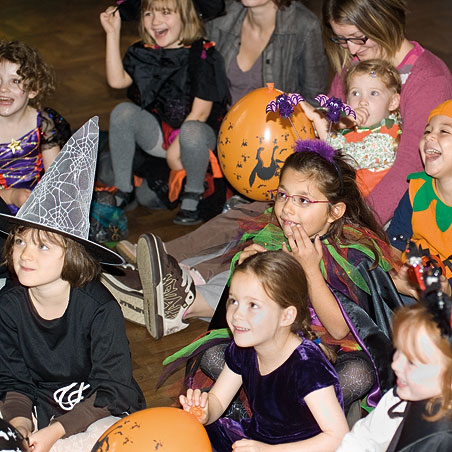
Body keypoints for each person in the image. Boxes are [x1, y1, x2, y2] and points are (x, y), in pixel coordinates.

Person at [137, 140, 405, 413]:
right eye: (282, 195)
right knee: (211, 354)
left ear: (334, 211)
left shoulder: (349, 255)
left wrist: (310, 269)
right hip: (274, 348)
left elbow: (338, 330)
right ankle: (274, 406)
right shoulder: (273, 240)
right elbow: (248, 315)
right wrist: (253, 272)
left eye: (303, 200)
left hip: (326, 353)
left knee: (359, 373)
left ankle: (283, 410)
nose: (287, 209)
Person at [0, 118, 145, 452]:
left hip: (96, 408)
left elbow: (113, 389)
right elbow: (12, 380)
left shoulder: (99, 309)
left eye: (44, 245)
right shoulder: (8, 305)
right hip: (38, 405)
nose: (26, 254)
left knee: (112, 440)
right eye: (21, 241)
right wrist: (18, 426)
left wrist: (55, 432)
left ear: (71, 256)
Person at [180, 250, 349, 451]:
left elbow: (338, 438)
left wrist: (267, 450)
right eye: (233, 301)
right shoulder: (246, 349)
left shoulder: (307, 366)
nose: (237, 315)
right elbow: (218, 399)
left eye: (253, 305)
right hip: (260, 440)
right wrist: (206, 411)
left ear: (287, 316)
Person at [100, 0, 230, 225]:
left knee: (191, 131)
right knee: (122, 111)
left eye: (165, 13)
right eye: (148, 13)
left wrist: (174, 153)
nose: (155, 21)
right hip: (162, 135)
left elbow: (200, 113)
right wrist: (113, 33)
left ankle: (194, 193)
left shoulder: (204, 55)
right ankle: (123, 188)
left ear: (186, 16)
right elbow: (116, 80)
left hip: (198, 142)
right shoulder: (144, 52)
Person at [322, 0, 452, 224]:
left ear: (384, 20)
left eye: (359, 37)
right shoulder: (353, 66)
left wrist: (357, 226)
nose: (352, 49)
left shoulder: (429, 80)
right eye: (342, 40)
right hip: (345, 203)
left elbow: (409, 169)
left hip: (394, 216)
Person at [336, 298, 452, 450]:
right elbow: (362, 439)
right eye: (398, 350)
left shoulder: (443, 439)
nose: (395, 364)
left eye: (411, 362)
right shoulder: (399, 399)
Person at [300, 59, 401, 197]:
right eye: (355, 93)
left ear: (393, 102)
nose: (362, 102)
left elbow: (344, 156)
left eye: (374, 93)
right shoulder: (352, 124)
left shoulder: (388, 139)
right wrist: (339, 122)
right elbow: (315, 131)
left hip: (368, 210)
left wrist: (318, 119)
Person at [205, 0, 329, 107]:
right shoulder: (220, 16)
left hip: (279, 129)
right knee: (193, 129)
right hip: (224, 125)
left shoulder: (305, 26)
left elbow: (315, 99)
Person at [388, 99, 452, 299]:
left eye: (444, 131)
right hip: (409, 286)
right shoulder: (417, 190)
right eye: (427, 131)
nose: (430, 136)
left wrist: (448, 292)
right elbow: (394, 244)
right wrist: (397, 276)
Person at [0, 40, 68, 215]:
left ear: (33, 89)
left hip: (37, 205)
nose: (3, 89)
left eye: (15, 81)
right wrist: (11, 196)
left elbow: (56, 178)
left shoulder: (43, 123)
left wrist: (45, 202)